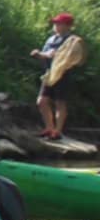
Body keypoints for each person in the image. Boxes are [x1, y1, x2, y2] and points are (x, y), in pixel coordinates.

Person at [32, 12, 85, 140]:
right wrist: (39, 55)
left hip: (63, 75)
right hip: (49, 74)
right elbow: (47, 54)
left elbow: (69, 58)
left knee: (60, 103)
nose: (55, 25)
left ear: (68, 26)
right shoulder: (51, 39)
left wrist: (44, 55)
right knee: (41, 101)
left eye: (59, 23)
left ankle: (57, 131)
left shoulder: (73, 41)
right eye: (55, 23)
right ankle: (49, 128)